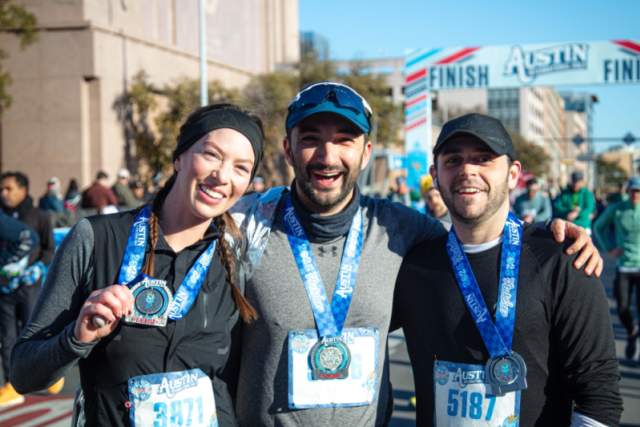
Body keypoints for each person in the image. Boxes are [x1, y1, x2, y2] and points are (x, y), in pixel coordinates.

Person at [228, 83, 602, 426]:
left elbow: (478, 239)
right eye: (311, 139)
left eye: (345, 140)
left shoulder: (403, 231)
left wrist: (547, 235)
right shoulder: (244, 227)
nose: (328, 156)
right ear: (288, 149)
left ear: (366, 152)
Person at [11, 103, 265, 426]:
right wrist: (76, 337)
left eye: (241, 168)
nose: (222, 176)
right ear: (179, 157)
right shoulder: (95, 239)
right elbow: (23, 374)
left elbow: (230, 386)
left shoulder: (235, 260)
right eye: (212, 155)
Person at [393, 113, 622, 426]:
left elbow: (599, 396)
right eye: (453, 160)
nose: (467, 170)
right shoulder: (413, 267)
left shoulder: (562, 257)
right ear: (435, 175)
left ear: (513, 174)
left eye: (484, 159)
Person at [0, 171, 57, 405]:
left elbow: (49, 248)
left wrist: (39, 268)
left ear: (23, 189)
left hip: (31, 285)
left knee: (35, 331)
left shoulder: (39, 215)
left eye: (9, 188)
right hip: (4, 288)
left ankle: (48, 375)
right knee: (7, 335)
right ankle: (12, 384)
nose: (4, 193)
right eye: (1, 189)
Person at [594, 175, 640, 361]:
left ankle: (633, 339)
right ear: (627, 191)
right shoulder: (618, 209)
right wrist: (609, 248)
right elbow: (598, 227)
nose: (636, 194)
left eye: (639, 191)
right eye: (633, 191)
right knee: (622, 308)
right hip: (624, 266)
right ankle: (632, 331)